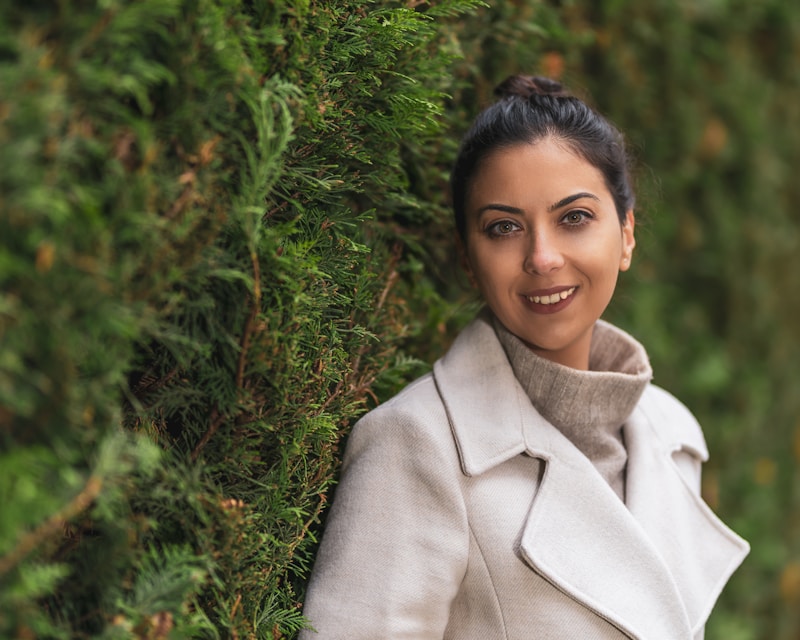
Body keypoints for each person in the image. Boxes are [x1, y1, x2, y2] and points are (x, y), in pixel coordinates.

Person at [299, 75, 749, 640]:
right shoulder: (417, 445)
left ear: (627, 234)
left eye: (574, 217)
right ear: (469, 258)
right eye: (504, 227)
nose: (541, 257)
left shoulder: (670, 432)